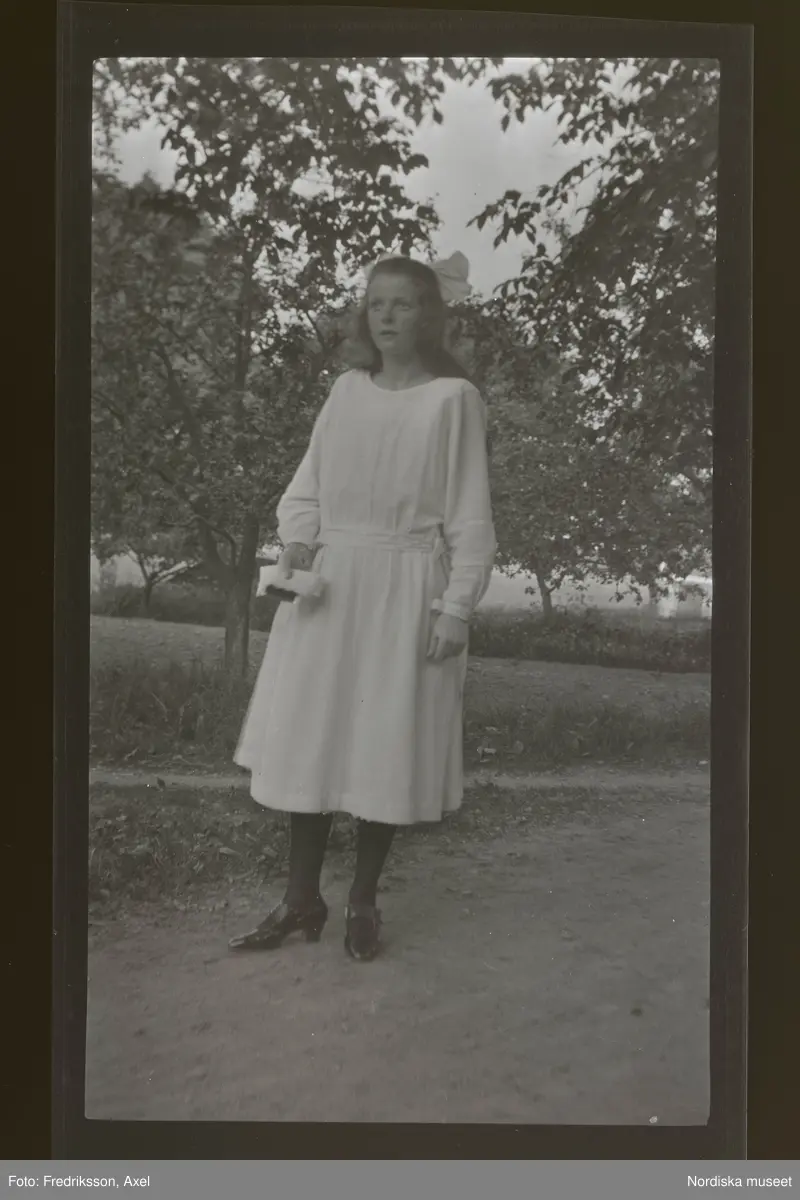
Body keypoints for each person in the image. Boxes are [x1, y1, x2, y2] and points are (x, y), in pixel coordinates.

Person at [229, 252, 497, 962]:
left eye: (402, 303)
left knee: (384, 742)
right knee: (311, 740)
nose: (386, 316)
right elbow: (306, 489)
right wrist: (298, 543)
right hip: (333, 586)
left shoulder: (454, 400)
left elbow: (471, 516)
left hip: (406, 587)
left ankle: (363, 901)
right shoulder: (345, 391)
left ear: (428, 314)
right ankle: (300, 899)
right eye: (376, 303)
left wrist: (456, 606)